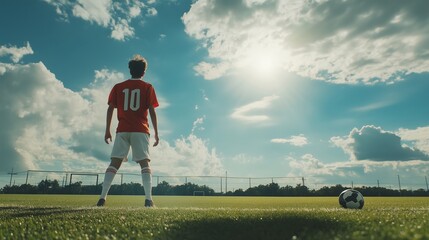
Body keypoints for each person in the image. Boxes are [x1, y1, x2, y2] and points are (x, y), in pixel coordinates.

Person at [97, 54, 159, 207]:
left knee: (114, 163)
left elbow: (110, 108)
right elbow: (152, 111)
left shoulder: (118, 87)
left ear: (129, 70)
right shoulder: (148, 87)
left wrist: (107, 130)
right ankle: (149, 199)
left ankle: (102, 197)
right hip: (141, 130)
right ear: (144, 72)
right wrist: (157, 132)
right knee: (145, 163)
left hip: (122, 129)